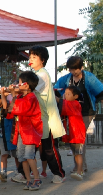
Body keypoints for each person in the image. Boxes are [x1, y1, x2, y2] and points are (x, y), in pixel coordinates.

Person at [54, 56, 103, 172]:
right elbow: (56, 89)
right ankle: (80, 166)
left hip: (86, 112)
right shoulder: (66, 79)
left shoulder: (89, 78)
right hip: (72, 113)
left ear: (81, 67)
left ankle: (80, 167)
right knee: (73, 139)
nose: (73, 72)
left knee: (79, 138)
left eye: (75, 69)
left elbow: (101, 93)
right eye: (71, 69)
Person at [28, 45, 66, 184]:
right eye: (30, 56)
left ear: (42, 60)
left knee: (50, 148)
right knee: (42, 148)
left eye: (34, 57)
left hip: (48, 119)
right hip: (40, 119)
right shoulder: (36, 75)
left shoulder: (42, 75)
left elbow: (29, 88)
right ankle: (29, 173)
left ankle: (59, 174)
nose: (30, 59)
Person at [3, 71, 43, 190]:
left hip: (30, 132)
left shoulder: (31, 97)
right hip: (22, 132)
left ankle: (37, 179)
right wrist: (5, 95)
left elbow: (20, 109)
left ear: (26, 85)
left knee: (29, 156)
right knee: (22, 157)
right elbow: (9, 110)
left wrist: (13, 94)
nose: (17, 85)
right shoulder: (21, 96)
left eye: (19, 83)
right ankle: (28, 180)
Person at [57, 86, 86, 180]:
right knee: (76, 153)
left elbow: (63, 105)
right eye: (65, 93)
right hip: (73, 134)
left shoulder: (75, 104)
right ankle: (78, 170)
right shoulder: (70, 103)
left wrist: (56, 98)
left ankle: (80, 171)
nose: (66, 95)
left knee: (78, 153)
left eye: (68, 94)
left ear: (76, 96)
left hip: (78, 133)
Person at [0, 94, 18, 182]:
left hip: (10, 133)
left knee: (15, 154)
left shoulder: (8, 105)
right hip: (2, 134)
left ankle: (19, 171)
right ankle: (3, 173)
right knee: (4, 154)